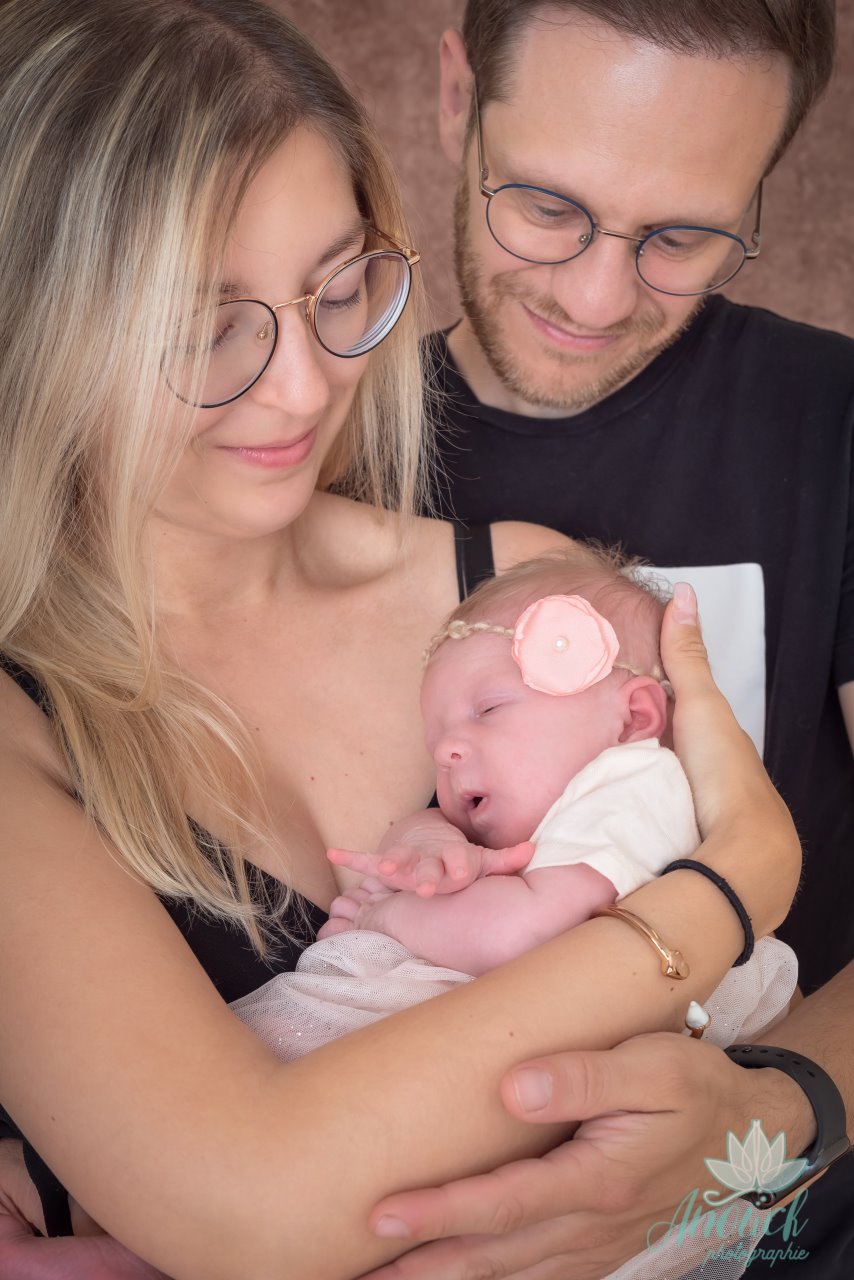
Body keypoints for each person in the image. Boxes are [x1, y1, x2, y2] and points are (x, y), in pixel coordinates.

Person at [0, 2, 806, 1279]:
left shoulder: (515, 589)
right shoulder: (22, 724)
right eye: (204, 327)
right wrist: (732, 882)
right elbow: (251, 1203)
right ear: (40, 324)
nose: (304, 386)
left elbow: (706, 1113)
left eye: (337, 290)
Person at [365, 2, 854, 1277]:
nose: (594, 294)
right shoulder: (310, 455)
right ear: (455, 96)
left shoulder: (833, 417)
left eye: (682, 237)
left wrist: (776, 1107)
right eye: (545, 205)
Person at [232, 548, 796, 1086]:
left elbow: (520, 934)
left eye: (489, 709)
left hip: (548, 1028)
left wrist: (386, 917)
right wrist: (428, 839)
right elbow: (441, 850)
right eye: (436, 740)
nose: (446, 751)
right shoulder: (550, 817)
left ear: (633, 719)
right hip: (497, 1034)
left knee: (283, 1060)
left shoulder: (635, 785)